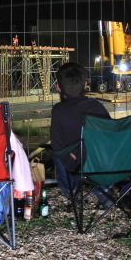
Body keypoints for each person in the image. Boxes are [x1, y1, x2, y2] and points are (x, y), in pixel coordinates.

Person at [49, 62, 113, 208]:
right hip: (102, 164)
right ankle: (104, 190)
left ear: (59, 87)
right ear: (86, 85)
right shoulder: (97, 106)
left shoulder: (58, 111)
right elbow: (109, 134)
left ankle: (71, 192)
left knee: (59, 154)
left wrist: (72, 153)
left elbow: (57, 144)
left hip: (78, 164)